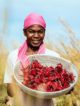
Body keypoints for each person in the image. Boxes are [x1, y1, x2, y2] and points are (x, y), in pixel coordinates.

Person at [4, 13, 62, 106]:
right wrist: (16, 81)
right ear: (24, 32)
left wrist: (68, 88)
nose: (36, 35)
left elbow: (61, 87)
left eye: (40, 31)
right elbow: (10, 92)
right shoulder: (13, 56)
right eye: (31, 31)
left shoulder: (53, 57)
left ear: (44, 32)